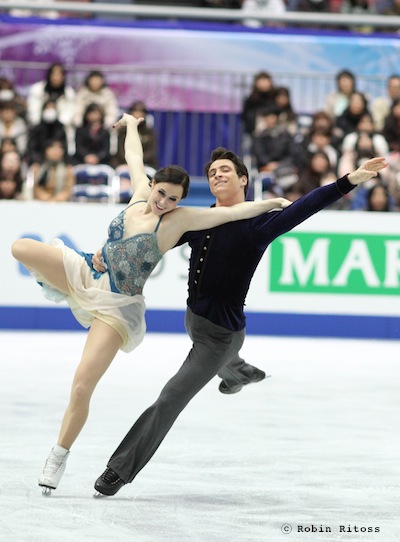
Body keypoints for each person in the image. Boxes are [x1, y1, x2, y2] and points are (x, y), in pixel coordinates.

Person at [10, 114, 290, 494]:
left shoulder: (176, 220)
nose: (164, 203)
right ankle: (75, 292)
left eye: (173, 200)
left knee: (81, 385)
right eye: (161, 194)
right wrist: (128, 125)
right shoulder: (140, 192)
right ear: (152, 185)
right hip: (89, 274)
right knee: (20, 247)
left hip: (116, 307)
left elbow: (231, 212)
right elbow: (134, 156)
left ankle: (58, 457)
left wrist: (272, 203)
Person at [93, 148, 387, 497]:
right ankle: (239, 373)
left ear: (244, 179)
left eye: (225, 170)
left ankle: (119, 470)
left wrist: (350, 180)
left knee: (172, 395)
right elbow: (147, 243)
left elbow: (305, 206)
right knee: (224, 363)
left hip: (219, 336)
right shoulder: (198, 219)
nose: (217, 174)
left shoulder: (258, 225)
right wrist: (107, 256)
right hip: (194, 322)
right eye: (213, 171)